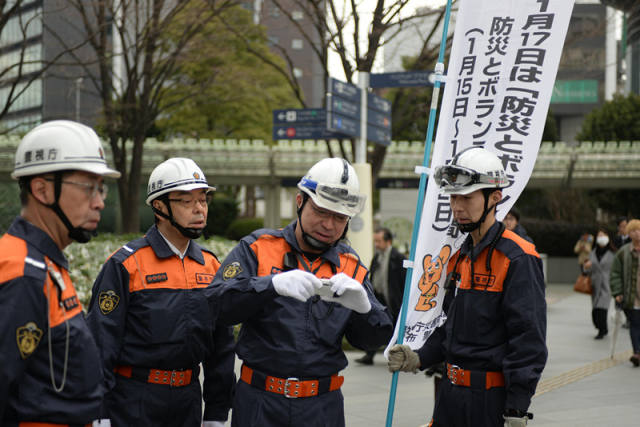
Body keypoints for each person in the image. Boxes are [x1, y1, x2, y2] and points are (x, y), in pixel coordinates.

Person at [207, 157, 394, 427]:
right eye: (321, 211)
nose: (329, 225)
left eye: (340, 217)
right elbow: (215, 305)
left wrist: (366, 309)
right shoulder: (258, 248)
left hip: (322, 408)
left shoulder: (351, 267)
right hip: (260, 402)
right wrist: (269, 286)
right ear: (299, 202)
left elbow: (371, 341)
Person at [387, 147, 547, 427]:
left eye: (467, 197)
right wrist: (419, 357)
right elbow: (450, 326)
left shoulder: (518, 257)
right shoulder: (462, 255)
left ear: (494, 197)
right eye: (453, 197)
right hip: (450, 394)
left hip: (490, 402)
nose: (457, 206)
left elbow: (528, 340)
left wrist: (517, 408)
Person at [86, 158, 235, 426]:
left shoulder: (212, 266)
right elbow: (100, 343)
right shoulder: (126, 264)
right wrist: (99, 412)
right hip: (133, 401)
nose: (199, 209)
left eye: (203, 200)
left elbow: (221, 347)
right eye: (186, 201)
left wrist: (216, 412)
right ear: (160, 206)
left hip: (188, 400)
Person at [0, 120, 120, 425]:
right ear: (41, 189)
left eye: (101, 188)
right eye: (88, 187)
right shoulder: (24, 273)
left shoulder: (45, 262)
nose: (100, 201)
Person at [355, 227, 406, 365]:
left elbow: (405, 281)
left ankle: (398, 358)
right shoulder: (377, 256)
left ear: (388, 241)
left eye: (379, 241)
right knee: (375, 325)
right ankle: (369, 355)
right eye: (375, 241)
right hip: (379, 297)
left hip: (394, 299)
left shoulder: (398, 258)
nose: (376, 244)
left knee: (396, 330)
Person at [610, 219, 640, 367]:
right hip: (630, 297)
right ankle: (637, 352)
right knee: (635, 324)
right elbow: (615, 273)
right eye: (633, 230)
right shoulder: (623, 252)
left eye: (639, 230)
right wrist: (617, 292)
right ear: (629, 233)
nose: (637, 233)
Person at [583, 227, 614, 339]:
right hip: (595, 285)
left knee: (602, 309)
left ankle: (602, 331)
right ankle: (603, 328)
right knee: (595, 311)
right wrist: (586, 267)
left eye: (603, 235)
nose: (601, 238)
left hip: (607, 285)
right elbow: (588, 269)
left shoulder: (613, 253)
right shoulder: (593, 253)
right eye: (599, 236)